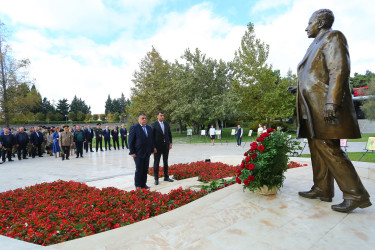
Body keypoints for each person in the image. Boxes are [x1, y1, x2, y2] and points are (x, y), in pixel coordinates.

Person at [289, 9, 371, 212]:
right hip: (311, 106)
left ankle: (356, 194)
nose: (306, 27)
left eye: (309, 23)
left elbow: (339, 69)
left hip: (324, 105)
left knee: (328, 147)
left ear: (321, 21)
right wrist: (298, 87)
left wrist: (331, 103)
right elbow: (314, 75)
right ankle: (322, 188)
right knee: (317, 147)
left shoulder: (333, 36)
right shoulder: (315, 43)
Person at [128, 113, 154, 189]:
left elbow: (151, 139)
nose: (144, 120)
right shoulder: (134, 127)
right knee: (139, 169)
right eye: (142, 118)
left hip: (147, 152)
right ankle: (138, 185)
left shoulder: (149, 128)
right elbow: (130, 141)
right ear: (138, 119)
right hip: (138, 153)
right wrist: (132, 152)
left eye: (145, 118)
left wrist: (152, 149)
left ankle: (143, 184)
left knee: (145, 168)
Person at [151, 111, 174, 185]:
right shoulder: (154, 124)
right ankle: (156, 179)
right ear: (157, 116)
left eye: (163, 115)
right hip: (157, 147)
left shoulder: (166, 124)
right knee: (156, 162)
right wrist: (153, 147)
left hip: (166, 146)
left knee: (165, 161)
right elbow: (152, 137)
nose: (162, 117)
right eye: (161, 115)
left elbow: (169, 134)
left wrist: (170, 143)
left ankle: (166, 177)